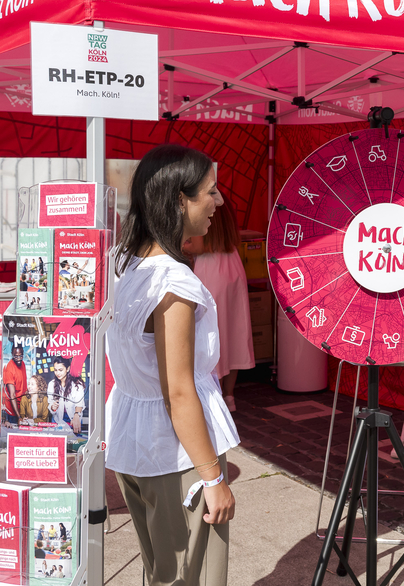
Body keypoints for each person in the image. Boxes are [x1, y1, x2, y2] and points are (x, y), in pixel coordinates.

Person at [106, 144, 238, 586]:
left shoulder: (124, 262)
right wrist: (213, 476)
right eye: (210, 192)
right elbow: (178, 389)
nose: (218, 202)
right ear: (178, 199)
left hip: (136, 442)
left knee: (163, 573)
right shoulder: (172, 281)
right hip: (174, 452)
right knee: (191, 576)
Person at [184, 198, 254, 412]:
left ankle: (216, 398)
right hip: (232, 266)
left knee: (212, 332)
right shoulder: (228, 210)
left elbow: (195, 246)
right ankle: (229, 397)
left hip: (210, 269)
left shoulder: (204, 214)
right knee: (233, 332)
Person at [46, 357, 85, 434]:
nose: (57, 373)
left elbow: (79, 404)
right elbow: (50, 403)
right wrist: (52, 407)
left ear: (67, 369)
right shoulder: (51, 384)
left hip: (74, 418)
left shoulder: (77, 384)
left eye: (60, 370)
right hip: (57, 420)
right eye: (55, 370)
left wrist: (76, 415)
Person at [2, 345, 28, 425]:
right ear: (12, 354)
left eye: (21, 356)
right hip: (12, 411)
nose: (19, 359)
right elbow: (12, 395)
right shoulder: (9, 369)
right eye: (16, 356)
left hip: (21, 407)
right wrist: (19, 416)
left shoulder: (23, 364)